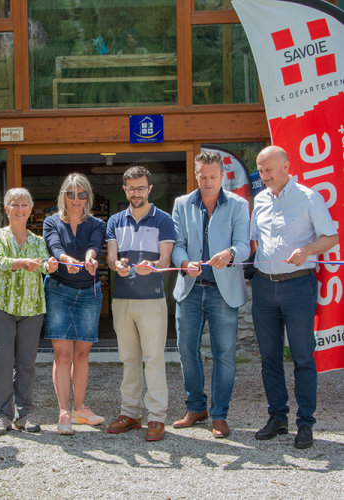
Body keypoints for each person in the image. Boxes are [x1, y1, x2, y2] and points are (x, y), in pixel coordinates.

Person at [251, 146, 338, 449]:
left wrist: (308, 251)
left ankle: (306, 424)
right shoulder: (259, 200)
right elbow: (255, 242)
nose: (264, 177)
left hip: (299, 287)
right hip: (263, 287)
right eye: (260, 171)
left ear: (286, 166)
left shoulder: (309, 198)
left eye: (269, 170)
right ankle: (278, 418)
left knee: (302, 357)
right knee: (270, 358)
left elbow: (332, 236)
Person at [171, 151, 250, 438]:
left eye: (213, 177)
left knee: (225, 355)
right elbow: (177, 243)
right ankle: (196, 408)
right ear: (196, 174)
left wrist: (231, 253)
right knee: (186, 351)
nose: (208, 182)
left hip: (223, 291)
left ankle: (219, 414)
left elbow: (244, 245)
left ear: (223, 175)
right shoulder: (181, 204)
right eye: (202, 176)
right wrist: (182, 263)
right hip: (189, 290)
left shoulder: (239, 205)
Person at [106, 166, 175, 441]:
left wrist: (153, 266)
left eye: (141, 188)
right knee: (128, 359)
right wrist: (117, 265)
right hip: (122, 299)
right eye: (131, 188)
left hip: (151, 299)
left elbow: (166, 261)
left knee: (154, 359)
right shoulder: (115, 220)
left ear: (149, 189)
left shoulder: (164, 220)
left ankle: (157, 417)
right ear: (125, 190)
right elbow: (111, 258)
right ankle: (131, 413)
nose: (136, 193)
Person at [0, 188, 58, 436]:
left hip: (32, 309)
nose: (20, 209)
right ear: (6, 209)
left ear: (30, 209)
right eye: (14, 205)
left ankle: (24, 414)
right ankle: (2, 415)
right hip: (1, 308)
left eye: (24, 205)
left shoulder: (38, 241)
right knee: (2, 364)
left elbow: (46, 267)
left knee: (26, 364)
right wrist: (24, 264)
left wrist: (51, 265)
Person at [43, 173, 106, 435]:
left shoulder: (98, 223)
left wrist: (90, 259)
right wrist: (66, 259)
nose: (76, 199)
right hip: (59, 291)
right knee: (63, 355)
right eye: (71, 194)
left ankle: (80, 407)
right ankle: (64, 411)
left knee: (82, 355)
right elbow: (54, 247)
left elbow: (95, 246)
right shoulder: (51, 221)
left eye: (82, 194)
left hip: (89, 292)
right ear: (63, 196)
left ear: (88, 197)